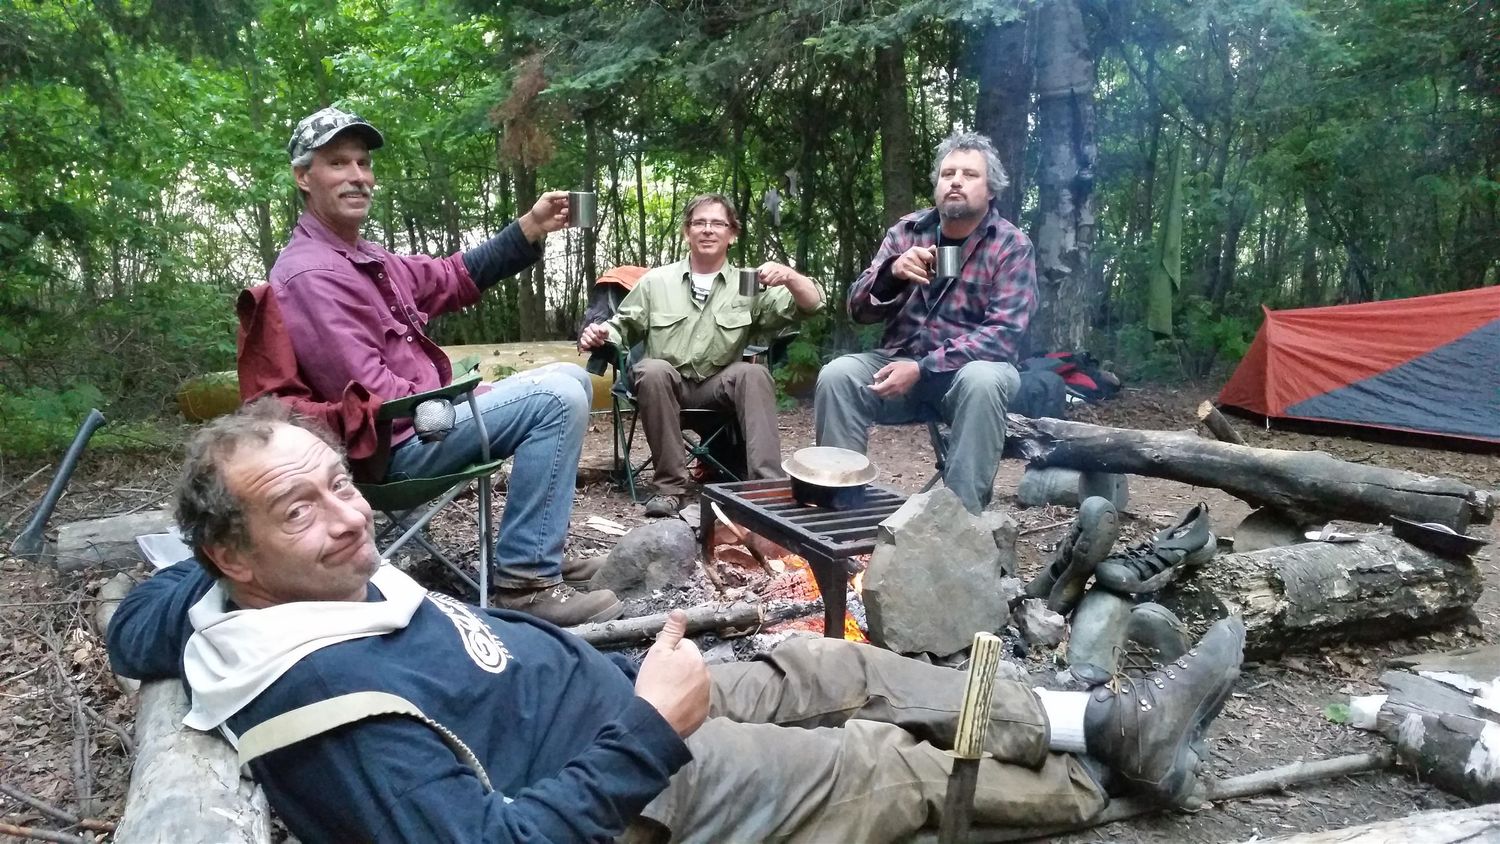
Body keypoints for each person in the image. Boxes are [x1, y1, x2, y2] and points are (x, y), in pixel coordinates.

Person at [106, 400, 1246, 843]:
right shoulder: (326, 707)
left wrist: (640, 699)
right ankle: (1108, 785)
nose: (349, 516)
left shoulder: (244, 594)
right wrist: (652, 729)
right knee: (869, 761)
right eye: (297, 509)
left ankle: (1104, 721)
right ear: (236, 555)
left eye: (338, 484)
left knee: (824, 661)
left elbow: (143, 620)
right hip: (635, 783)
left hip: (615, 708)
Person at [245, 106, 619, 625]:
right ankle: (526, 582)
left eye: (363, 163)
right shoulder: (311, 273)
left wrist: (531, 226)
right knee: (556, 398)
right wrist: (467, 398)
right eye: (338, 163)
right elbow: (373, 393)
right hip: (395, 445)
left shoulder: (365, 257)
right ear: (304, 177)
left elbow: (450, 276)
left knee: (572, 376)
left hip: (425, 423)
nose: (357, 175)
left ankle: (538, 551)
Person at [814, 130, 1037, 515]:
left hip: (968, 377)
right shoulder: (906, 232)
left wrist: (923, 367)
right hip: (900, 363)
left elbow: (1003, 335)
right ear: (936, 186)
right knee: (838, 375)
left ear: (990, 190)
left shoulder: (1011, 245)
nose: (956, 181)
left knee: (983, 379)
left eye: (969, 174)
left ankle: (958, 521)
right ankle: (839, 508)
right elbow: (857, 310)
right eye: (948, 173)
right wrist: (892, 273)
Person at [578, 194, 823, 518]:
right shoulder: (657, 281)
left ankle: (766, 490)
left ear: (732, 234)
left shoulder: (747, 284)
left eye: (718, 223)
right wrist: (600, 334)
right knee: (652, 370)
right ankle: (670, 489)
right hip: (665, 387)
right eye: (700, 223)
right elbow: (620, 327)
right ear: (687, 231)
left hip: (718, 388)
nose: (708, 229)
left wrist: (790, 276)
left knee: (753, 373)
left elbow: (811, 306)